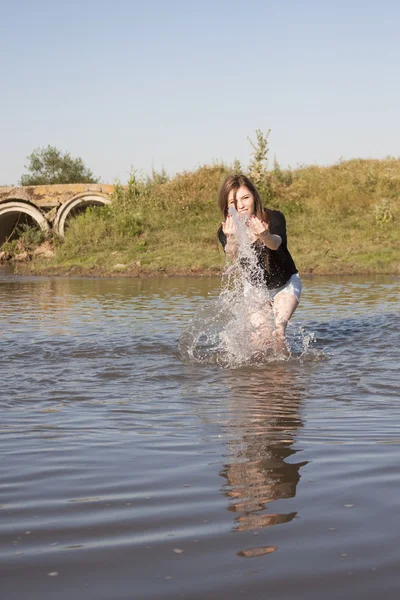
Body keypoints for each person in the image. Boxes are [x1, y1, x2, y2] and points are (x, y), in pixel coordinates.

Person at [217, 174, 301, 354]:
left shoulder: (274, 217)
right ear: (227, 207)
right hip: (256, 289)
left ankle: (284, 377)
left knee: (278, 331)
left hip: (285, 284)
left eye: (245, 198)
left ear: (254, 197)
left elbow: (276, 243)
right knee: (260, 341)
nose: (240, 205)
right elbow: (232, 254)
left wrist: (265, 235)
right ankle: (261, 379)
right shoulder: (225, 230)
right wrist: (231, 238)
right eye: (233, 202)